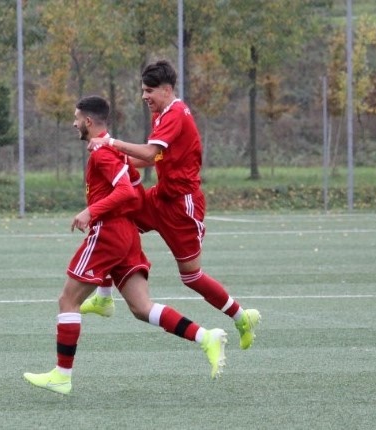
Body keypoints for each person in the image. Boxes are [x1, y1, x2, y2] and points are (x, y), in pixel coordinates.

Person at [23, 95, 228, 395]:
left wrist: (91, 211)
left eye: (76, 118)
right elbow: (134, 185)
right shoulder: (111, 150)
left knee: (68, 301)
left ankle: (62, 375)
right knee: (142, 308)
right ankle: (205, 337)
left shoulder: (103, 154)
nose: (73, 123)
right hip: (126, 236)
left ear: (88, 122)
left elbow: (129, 195)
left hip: (109, 234)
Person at [83, 60, 261, 350]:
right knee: (114, 218)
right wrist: (114, 158)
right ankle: (104, 296)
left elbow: (150, 152)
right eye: (143, 90)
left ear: (166, 90)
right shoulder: (162, 112)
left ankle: (242, 317)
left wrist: (110, 143)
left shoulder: (176, 113)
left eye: (149, 90)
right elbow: (151, 159)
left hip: (182, 207)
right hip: (161, 197)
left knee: (191, 276)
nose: (144, 96)